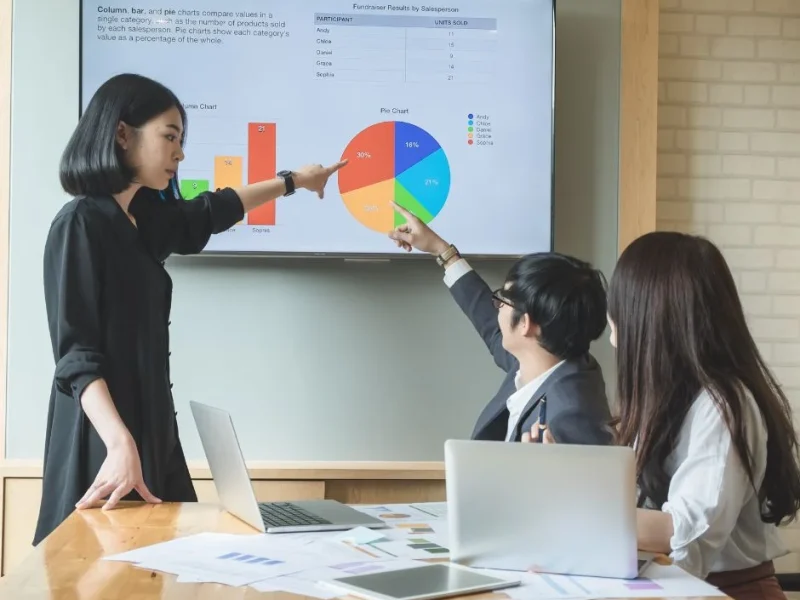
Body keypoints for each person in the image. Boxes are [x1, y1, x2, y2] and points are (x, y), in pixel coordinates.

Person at [34, 73, 346, 545]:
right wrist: (119, 444)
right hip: (104, 438)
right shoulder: (79, 223)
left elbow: (210, 211)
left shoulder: (143, 221)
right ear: (122, 134)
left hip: (152, 431)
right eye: (170, 136)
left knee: (168, 568)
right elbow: (77, 356)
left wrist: (293, 181)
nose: (180, 153)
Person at [525, 231, 800, 600]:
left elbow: (686, 530)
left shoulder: (722, 406)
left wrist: (576, 510)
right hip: (677, 585)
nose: (613, 338)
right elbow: (641, 508)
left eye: (620, 320)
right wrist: (567, 480)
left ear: (653, 321)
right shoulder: (669, 398)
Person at [388, 203, 612, 444]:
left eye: (502, 300)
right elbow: (490, 325)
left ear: (526, 324)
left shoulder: (570, 416)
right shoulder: (546, 359)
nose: (497, 308)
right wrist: (442, 251)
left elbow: (584, 481)